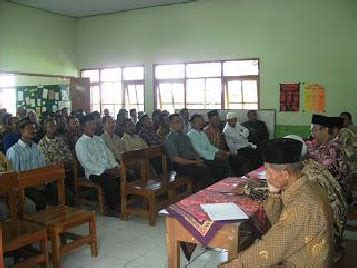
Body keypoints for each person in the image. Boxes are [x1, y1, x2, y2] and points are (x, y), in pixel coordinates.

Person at [220, 138, 333, 267]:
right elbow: (279, 223)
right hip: (299, 254)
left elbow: (270, 248)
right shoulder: (305, 185)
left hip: (301, 263)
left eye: (268, 170)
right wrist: (273, 193)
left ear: (285, 174)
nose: (266, 175)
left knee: (248, 257)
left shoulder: (303, 205)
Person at [75, 114, 120, 216]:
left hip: (108, 168)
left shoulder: (99, 139)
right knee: (109, 182)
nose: (93, 126)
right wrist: (105, 170)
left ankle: (121, 202)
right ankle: (112, 208)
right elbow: (86, 163)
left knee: (126, 176)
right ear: (83, 127)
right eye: (89, 124)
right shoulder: (80, 143)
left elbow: (109, 154)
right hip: (94, 172)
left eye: (94, 124)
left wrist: (115, 166)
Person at [307, 115, 352, 203]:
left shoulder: (334, 148)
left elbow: (324, 166)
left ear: (325, 130)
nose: (312, 133)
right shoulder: (322, 146)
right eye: (311, 130)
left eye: (315, 130)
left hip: (337, 199)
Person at [6, 117, 48, 211]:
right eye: (29, 128)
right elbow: (14, 176)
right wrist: (33, 184)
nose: (34, 130)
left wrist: (43, 182)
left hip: (39, 183)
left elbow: (43, 168)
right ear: (21, 131)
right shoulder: (14, 151)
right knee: (40, 199)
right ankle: (38, 223)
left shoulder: (37, 148)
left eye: (34, 128)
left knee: (58, 190)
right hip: (24, 186)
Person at [164, 114, 213, 191]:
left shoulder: (184, 137)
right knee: (204, 171)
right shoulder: (170, 139)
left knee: (211, 164)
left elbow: (192, 150)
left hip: (191, 162)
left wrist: (198, 160)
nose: (181, 123)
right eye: (177, 122)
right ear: (171, 124)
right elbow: (176, 159)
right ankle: (205, 193)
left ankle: (205, 190)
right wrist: (195, 161)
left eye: (180, 121)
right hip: (179, 166)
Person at [38, 117, 75, 206]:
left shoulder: (61, 140)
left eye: (54, 126)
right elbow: (44, 162)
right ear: (45, 128)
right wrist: (57, 165)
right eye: (50, 126)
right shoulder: (42, 143)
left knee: (71, 187)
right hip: (52, 175)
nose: (53, 128)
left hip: (65, 170)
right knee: (66, 194)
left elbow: (69, 156)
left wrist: (65, 162)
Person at [188, 114, 231, 181]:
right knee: (222, 163)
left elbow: (209, 146)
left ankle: (226, 181)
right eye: (197, 121)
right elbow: (198, 151)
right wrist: (214, 155)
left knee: (226, 159)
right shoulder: (191, 134)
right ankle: (220, 183)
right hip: (200, 158)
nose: (200, 122)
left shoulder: (201, 133)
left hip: (208, 155)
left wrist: (218, 151)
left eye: (201, 120)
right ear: (192, 124)